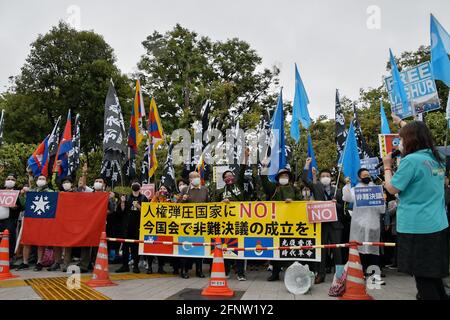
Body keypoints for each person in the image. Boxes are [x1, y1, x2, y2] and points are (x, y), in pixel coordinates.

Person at [383, 120, 449, 300]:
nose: (400, 143)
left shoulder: (411, 160)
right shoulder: (437, 159)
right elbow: (420, 129)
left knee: (423, 279)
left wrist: (387, 166)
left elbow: (392, 188)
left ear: (410, 140)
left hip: (417, 227)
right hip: (437, 224)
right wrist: (403, 123)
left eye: (401, 139)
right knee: (433, 275)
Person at [301, 157, 345, 284]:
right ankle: (321, 274)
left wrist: (335, 204)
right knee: (322, 250)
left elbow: (342, 208)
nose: (325, 177)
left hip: (336, 226)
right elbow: (304, 179)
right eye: (323, 176)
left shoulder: (339, 191)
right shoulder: (317, 187)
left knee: (337, 250)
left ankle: (340, 275)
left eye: (327, 175)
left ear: (331, 178)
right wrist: (307, 164)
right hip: (322, 225)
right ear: (320, 178)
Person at [342, 168, 385, 286]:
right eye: (364, 175)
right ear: (359, 177)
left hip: (373, 225)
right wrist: (347, 185)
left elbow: (382, 209)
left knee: (373, 252)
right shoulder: (356, 190)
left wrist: (382, 200)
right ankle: (359, 275)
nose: (367, 176)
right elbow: (346, 198)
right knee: (359, 251)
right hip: (359, 226)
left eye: (368, 175)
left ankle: (375, 277)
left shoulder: (376, 190)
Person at [214, 149, 250, 281]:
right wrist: (222, 203)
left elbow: (242, 169)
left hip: (240, 221)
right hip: (225, 223)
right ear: (223, 179)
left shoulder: (238, 185)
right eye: (226, 177)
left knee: (239, 247)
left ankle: (240, 273)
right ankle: (226, 271)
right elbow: (213, 206)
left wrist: (245, 157)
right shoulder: (219, 191)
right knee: (227, 247)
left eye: (230, 176)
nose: (228, 178)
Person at [261, 165, 300, 281]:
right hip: (277, 223)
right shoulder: (274, 188)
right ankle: (275, 273)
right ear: (278, 178)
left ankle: (293, 272)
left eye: (286, 175)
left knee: (292, 247)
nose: (284, 177)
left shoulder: (294, 189)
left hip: (292, 223)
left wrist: (293, 203)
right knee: (276, 247)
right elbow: (264, 182)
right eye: (282, 176)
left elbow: (302, 202)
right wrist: (264, 168)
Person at [16, 173, 54, 271]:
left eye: (43, 178)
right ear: (36, 181)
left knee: (40, 241)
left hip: (43, 219)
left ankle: (39, 262)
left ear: (46, 181)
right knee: (27, 241)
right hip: (30, 219)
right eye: (39, 178)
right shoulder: (31, 191)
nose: (41, 180)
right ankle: (25, 262)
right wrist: (22, 195)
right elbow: (24, 205)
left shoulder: (50, 192)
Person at [178, 171, 209, 279]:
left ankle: (199, 270)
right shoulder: (184, 190)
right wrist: (183, 200)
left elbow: (210, 205)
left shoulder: (205, 189)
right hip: (187, 224)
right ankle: (184, 270)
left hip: (200, 224)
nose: (196, 178)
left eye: (197, 176)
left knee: (199, 246)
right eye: (194, 177)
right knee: (185, 246)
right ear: (190, 179)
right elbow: (176, 207)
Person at [116, 181, 148, 273]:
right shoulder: (126, 197)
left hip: (137, 225)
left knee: (136, 247)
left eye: (137, 184)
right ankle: (124, 265)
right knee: (125, 246)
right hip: (127, 225)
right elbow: (121, 211)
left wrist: (139, 206)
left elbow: (147, 212)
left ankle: (136, 266)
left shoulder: (143, 198)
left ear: (140, 187)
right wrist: (122, 202)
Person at [147, 184, 171, 275]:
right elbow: (149, 208)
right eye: (160, 188)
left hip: (164, 226)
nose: (162, 190)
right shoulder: (155, 199)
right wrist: (155, 198)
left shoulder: (169, 200)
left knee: (162, 247)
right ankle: (149, 267)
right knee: (151, 246)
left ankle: (161, 267)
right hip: (153, 226)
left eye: (164, 188)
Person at [0, 174, 22, 262]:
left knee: (10, 238)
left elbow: (21, 206)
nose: (9, 180)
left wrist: (15, 207)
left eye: (12, 179)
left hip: (10, 220)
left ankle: (9, 258)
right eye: (8, 179)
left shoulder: (17, 193)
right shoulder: (0, 191)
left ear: (15, 182)